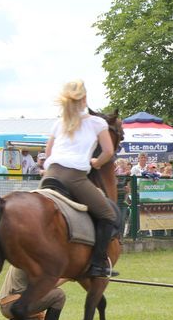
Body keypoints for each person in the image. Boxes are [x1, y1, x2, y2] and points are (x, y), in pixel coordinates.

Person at [42, 79, 118, 278]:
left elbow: (48, 152)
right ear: (84, 98)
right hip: (74, 177)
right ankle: (97, 264)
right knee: (108, 215)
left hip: (50, 176)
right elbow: (109, 152)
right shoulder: (97, 123)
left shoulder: (59, 123)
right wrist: (97, 162)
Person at [0, 266, 66, 320]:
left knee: (39, 317)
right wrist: (67, 278)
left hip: (5, 304)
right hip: (14, 303)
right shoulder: (31, 259)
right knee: (59, 294)